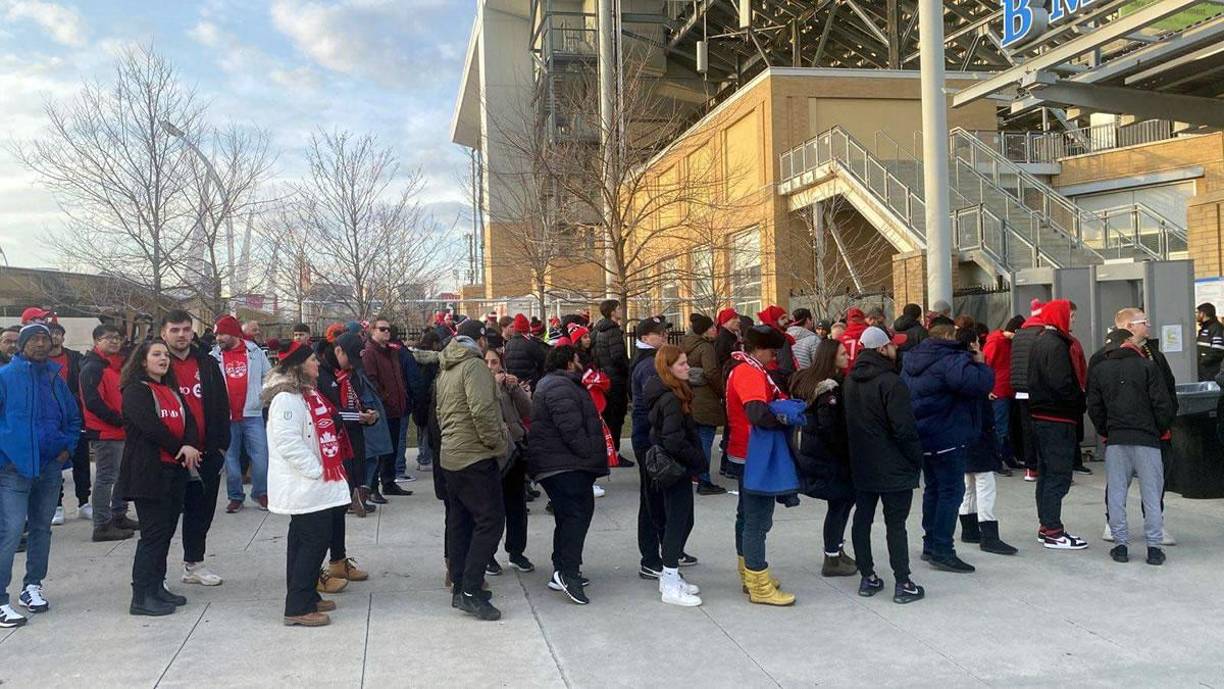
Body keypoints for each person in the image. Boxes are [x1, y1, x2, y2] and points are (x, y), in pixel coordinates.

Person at [263, 341, 354, 627]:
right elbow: (288, 442)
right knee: (312, 541)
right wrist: (316, 470)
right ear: (299, 367)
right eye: (312, 360)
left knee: (303, 541)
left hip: (313, 485)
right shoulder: (286, 400)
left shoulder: (304, 394)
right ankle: (298, 606)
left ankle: (307, 595)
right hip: (304, 485)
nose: (318, 364)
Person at [0, 323, 81, 628]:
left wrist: (67, 448)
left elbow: (73, 418)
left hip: (48, 467)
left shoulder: (54, 379)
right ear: (20, 346)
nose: (39, 344)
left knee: (41, 529)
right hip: (12, 470)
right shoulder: (5, 378)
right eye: (32, 339)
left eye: (44, 339)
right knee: (8, 533)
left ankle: (32, 585)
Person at [901, 321, 994, 573]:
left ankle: (930, 543)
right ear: (949, 335)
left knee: (933, 490)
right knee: (951, 493)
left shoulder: (911, 359)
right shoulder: (951, 359)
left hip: (924, 435)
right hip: (948, 434)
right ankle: (942, 549)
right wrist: (980, 361)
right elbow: (980, 385)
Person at [116, 339, 200, 616]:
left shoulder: (171, 390)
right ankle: (141, 596)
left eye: (165, 355)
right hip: (149, 474)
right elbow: (151, 427)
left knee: (165, 534)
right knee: (152, 536)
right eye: (156, 354)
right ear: (143, 360)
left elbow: (189, 421)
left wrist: (189, 444)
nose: (163, 359)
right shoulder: (134, 391)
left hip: (174, 472)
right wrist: (180, 448)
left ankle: (157, 587)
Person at [844, 326, 925, 604]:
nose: (897, 348)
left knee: (862, 520)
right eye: (892, 345)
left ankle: (867, 577)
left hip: (863, 463)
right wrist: (916, 458)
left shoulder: (850, 380)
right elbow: (904, 428)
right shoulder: (891, 382)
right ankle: (903, 581)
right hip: (893, 464)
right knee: (895, 524)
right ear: (881, 349)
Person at [1087, 309, 1175, 566]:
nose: (1147, 328)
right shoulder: (1148, 365)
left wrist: (1106, 430)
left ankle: (1121, 544)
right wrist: (1158, 429)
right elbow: (1163, 403)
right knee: (1152, 492)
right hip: (1147, 438)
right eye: (1143, 323)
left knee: (1116, 492)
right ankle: (1154, 548)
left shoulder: (1101, 366)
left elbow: (1095, 405)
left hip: (1116, 438)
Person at [435, 327, 506, 621]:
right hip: (474, 456)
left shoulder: (447, 368)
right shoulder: (473, 365)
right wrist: (497, 443)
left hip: (452, 454)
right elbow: (483, 411)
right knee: (490, 521)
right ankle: (470, 591)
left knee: (461, 522)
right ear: (479, 342)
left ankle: (461, 586)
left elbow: (440, 413)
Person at [528, 345, 608, 605]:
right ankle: (567, 572)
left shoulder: (561, 384)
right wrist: (588, 453)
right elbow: (571, 428)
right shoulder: (560, 387)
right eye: (577, 358)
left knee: (571, 516)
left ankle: (561, 568)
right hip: (563, 465)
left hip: (564, 463)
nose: (581, 361)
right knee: (575, 515)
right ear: (568, 362)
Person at [725, 325, 798, 606]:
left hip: (746, 451)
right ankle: (758, 581)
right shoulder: (750, 372)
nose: (774, 357)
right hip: (755, 453)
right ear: (759, 349)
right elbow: (756, 412)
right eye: (771, 351)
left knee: (746, 516)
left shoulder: (745, 368)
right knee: (757, 519)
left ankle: (749, 572)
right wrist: (785, 414)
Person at [161, 310, 231, 587]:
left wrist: (221, 447)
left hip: (206, 452)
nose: (181, 335)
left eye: (186, 329)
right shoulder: (154, 362)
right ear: (164, 332)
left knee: (200, 512)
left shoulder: (207, 363)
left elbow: (221, 404)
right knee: (164, 517)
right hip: (168, 453)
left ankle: (194, 564)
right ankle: (155, 574)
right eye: (175, 329)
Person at [789, 338, 858, 577]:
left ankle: (836, 549)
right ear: (831, 357)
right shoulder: (829, 389)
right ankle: (832, 556)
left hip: (814, 453)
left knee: (842, 503)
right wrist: (846, 452)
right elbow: (830, 428)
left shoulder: (807, 381)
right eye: (842, 354)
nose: (847, 357)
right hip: (827, 457)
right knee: (840, 503)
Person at [644, 345, 706, 606]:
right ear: (667, 368)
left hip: (676, 467)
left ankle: (669, 576)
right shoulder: (670, 398)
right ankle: (669, 580)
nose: (687, 367)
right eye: (681, 364)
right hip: (674, 468)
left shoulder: (675, 392)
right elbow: (672, 439)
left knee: (683, 520)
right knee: (677, 523)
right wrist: (696, 458)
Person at [1027, 300, 1089, 550]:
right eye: (1071, 316)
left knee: (1047, 475)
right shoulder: (1056, 345)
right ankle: (1053, 530)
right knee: (1058, 475)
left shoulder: (1041, 341)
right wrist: (1080, 401)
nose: (1073, 321)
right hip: (1056, 418)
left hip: (1043, 416)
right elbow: (1062, 383)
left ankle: (1047, 526)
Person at [953, 327, 1018, 556]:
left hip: (961, 432)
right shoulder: (973, 369)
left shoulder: (953, 367)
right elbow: (986, 383)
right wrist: (981, 364)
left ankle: (968, 529)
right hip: (978, 431)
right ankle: (989, 534)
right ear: (973, 345)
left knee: (968, 482)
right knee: (984, 482)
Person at [80, 324, 139, 541]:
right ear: (97, 341)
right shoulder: (93, 367)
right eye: (108, 338)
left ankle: (119, 515)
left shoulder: (117, 365)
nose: (114, 341)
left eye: (117, 338)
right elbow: (93, 401)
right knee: (106, 478)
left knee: (122, 475)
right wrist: (118, 419)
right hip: (106, 432)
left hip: (122, 431)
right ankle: (102, 525)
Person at [211, 314, 272, 513]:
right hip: (226, 417)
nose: (218, 338)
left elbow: (269, 375)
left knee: (261, 457)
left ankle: (261, 493)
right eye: (216, 335)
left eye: (222, 334)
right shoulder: (213, 357)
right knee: (231, 460)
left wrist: (262, 395)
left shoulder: (255, 352)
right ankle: (235, 496)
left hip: (253, 414)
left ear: (234, 333)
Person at [631, 316, 676, 579]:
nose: (664, 337)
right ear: (646, 337)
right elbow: (654, 405)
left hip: (650, 435)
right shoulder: (649, 364)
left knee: (657, 498)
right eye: (659, 333)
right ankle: (650, 556)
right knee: (652, 499)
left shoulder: (650, 360)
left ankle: (667, 547)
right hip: (649, 438)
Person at [483, 348, 534, 575]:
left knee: (517, 505)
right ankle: (488, 555)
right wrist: (494, 384)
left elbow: (528, 411)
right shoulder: (480, 386)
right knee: (493, 508)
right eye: (487, 362)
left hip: (515, 449)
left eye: (495, 362)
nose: (491, 366)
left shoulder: (507, 384)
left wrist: (516, 389)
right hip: (494, 453)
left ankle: (516, 551)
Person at [360, 316, 412, 500]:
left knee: (392, 449)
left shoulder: (392, 352)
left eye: (388, 329)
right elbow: (371, 381)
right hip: (381, 410)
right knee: (379, 450)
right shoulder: (369, 353)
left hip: (396, 408)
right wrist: (385, 399)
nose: (386, 332)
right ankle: (373, 488)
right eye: (382, 329)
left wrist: (401, 397)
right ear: (372, 331)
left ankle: (389, 483)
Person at [46, 322, 89, 523]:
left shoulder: (75, 358)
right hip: (51, 418)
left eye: (58, 333)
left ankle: (84, 502)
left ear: (63, 337)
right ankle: (57, 505)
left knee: (81, 460)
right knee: (56, 462)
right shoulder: (41, 361)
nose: (55, 337)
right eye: (51, 333)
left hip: (74, 414)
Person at [680, 313, 726, 495]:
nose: (716, 330)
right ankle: (704, 480)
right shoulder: (706, 348)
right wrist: (722, 391)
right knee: (705, 440)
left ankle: (693, 474)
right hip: (705, 399)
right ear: (704, 331)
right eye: (712, 327)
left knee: (693, 440)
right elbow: (712, 372)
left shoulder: (684, 345)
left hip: (688, 398)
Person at [983, 316, 1026, 475]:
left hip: (1006, 390)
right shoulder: (996, 343)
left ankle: (1007, 458)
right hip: (999, 391)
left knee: (1006, 428)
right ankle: (998, 461)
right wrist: (987, 390)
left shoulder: (1003, 342)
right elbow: (986, 364)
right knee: (1000, 428)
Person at [592, 300, 632, 466]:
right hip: (616, 380)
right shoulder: (613, 331)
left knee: (608, 417)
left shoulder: (597, 331)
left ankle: (608, 451)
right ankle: (614, 453)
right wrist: (627, 371)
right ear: (612, 312)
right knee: (616, 417)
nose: (621, 310)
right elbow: (618, 357)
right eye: (618, 308)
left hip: (605, 379)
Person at [1010, 301, 1046, 482]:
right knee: (1042, 428)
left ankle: (1030, 468)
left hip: (1020, 388)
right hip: (1038, 388)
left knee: (1027, 428)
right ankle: (1042, 466)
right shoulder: (1042, 334)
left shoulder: (1019, 334)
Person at [756, 305, 797, 388]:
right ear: (774, 321)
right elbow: (786, 366)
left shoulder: (763, 337)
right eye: (782, 318)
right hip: (780, 383)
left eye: (786, 317)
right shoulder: (780, 339)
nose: (787, 321)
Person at [505, 314, 547, 390]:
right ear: (527, 328)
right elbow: (543, 364)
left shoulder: (508, 344)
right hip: (530, 385)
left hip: (514, 386)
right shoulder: (532, 344)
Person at [1196, 303, 1224, 381]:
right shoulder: (1205, 328)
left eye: (1197, 312)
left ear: (1203, 313)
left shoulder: (1216, 328)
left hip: (1211, 373)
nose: (1196, 315)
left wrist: (1202, 362)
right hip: (1204, 372)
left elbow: (1217, 351)